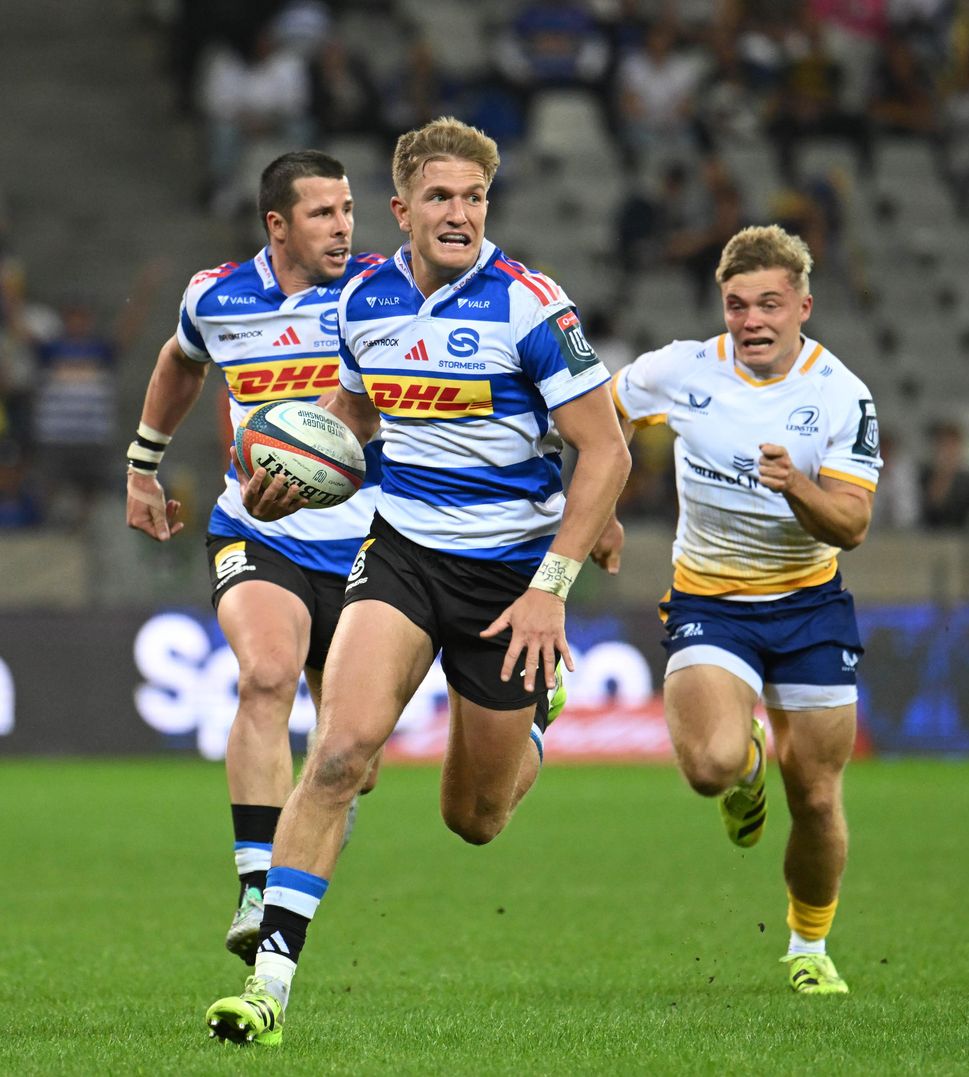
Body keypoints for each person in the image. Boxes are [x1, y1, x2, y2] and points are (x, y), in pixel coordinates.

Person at [204, 115, 631, 1046]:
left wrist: (553, 582)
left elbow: (606, 451)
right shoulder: (363, 303)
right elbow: (351, 411)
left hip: (511, 579)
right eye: (441, 196)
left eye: (475, 197)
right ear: (402, 208)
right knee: (341, 753)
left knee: (473, 818)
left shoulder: (529, 305)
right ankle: (270, 985)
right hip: (400, 553)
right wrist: (292, 474)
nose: (460, 212)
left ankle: (537, 717)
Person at [596, 224, 881, 995]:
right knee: (709, 766)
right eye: (736, 305)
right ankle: (748, 761)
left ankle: (808, 947)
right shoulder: (682, 369)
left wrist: (800, 488)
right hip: (710, 603)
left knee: (817, 795)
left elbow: (851, 525)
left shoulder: (841, 395)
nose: (752, 320)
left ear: (803, 307)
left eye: (769, 305)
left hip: (809, 605)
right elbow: (602, 412)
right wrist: (604, 505)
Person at [125, 149, 385, 967]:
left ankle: (317, 810)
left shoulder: (385, 292)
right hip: (257, 528)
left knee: (353, 764)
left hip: (373, 546)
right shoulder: (216, 295)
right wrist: (143, 464)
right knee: (265, 674)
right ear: (278, 224)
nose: (343, 226)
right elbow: (179, 359)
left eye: (347, 209)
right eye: (321, 213)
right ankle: (257, 884)